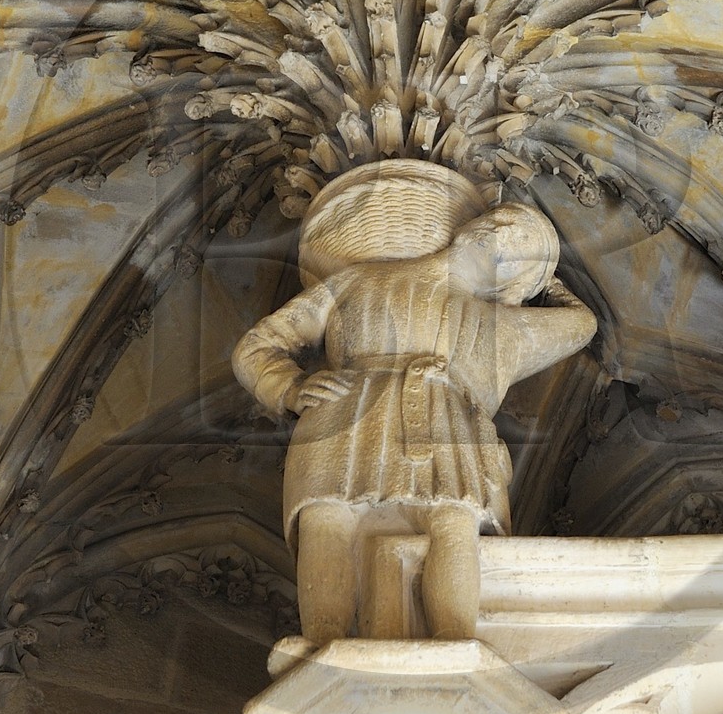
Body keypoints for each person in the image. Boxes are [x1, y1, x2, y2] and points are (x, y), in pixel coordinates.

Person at [233, 160, 596, 643]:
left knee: (451, 520)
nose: (500, 231)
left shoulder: (501, 328)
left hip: (444, 418)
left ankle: (454, 645)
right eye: (501, 221)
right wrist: (290, 388)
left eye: (515, 244)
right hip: (347, 407)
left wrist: (542, 276)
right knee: (326, 517)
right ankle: (322, 646)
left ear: (513, 282)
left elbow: (582, 325)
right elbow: (258, 345)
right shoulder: (357, 280)